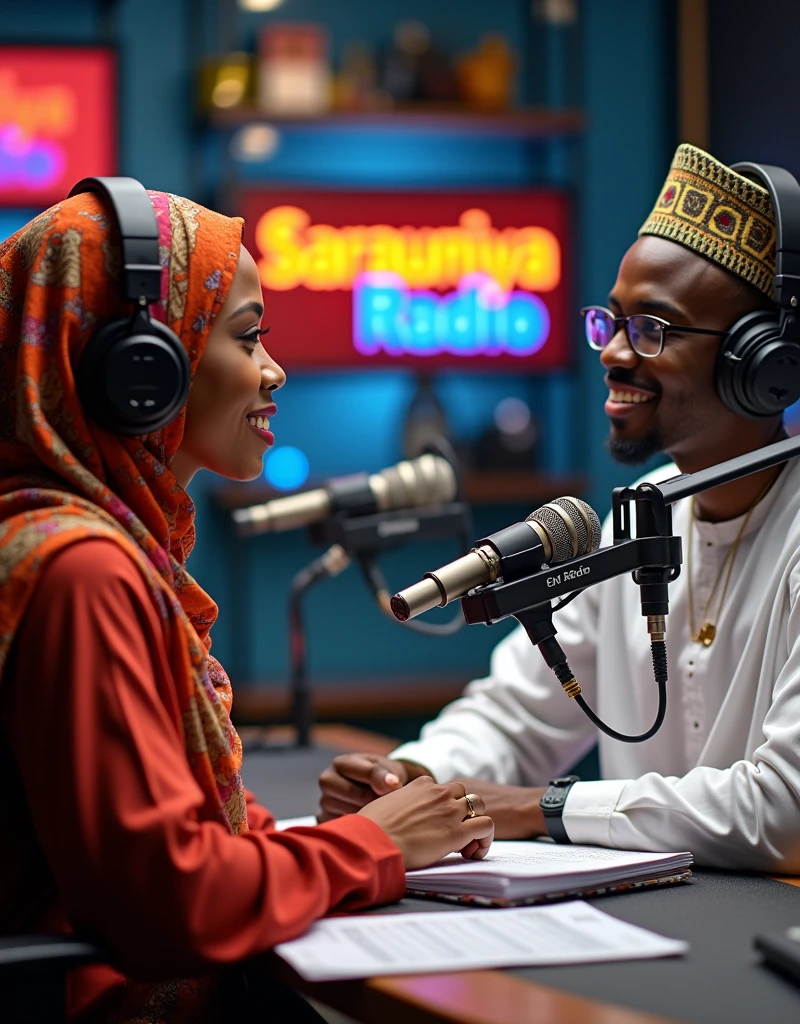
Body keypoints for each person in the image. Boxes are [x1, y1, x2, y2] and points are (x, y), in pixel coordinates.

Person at [0, 185, 495, 1024]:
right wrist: (375, 845)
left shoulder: (58, 540)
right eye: (248, 335)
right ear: (140, 366)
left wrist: (324, 840)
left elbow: (170, 849)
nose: (275, 370)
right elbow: (167, 904)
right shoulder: (81, 572)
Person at [318, 143, 800, 874]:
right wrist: (409, 779)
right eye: (609, 323)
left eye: (653, 329)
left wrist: (541, 809)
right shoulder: (644, 519)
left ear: (761, 365)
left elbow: (784, 810)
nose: (611, 353)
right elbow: (517, 716)